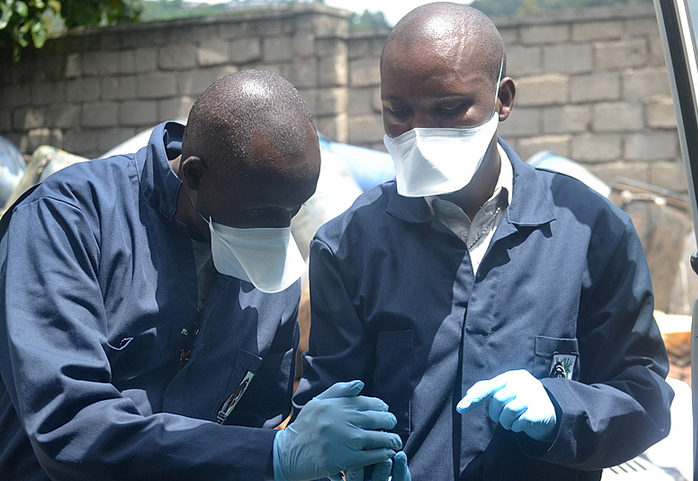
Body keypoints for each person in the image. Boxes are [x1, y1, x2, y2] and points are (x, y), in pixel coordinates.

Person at [294, 3, 674, 480]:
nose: (419, 132)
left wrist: (563, 409)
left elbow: (645, 397)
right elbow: (326, 407)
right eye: (398, 111)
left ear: (503, 100)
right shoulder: (348, 244)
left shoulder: (592, 234)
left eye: (448, 108)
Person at [0, 69, 405, 480]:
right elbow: (68, 426)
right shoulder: (69, 220)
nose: (279, 232)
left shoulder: (274, 278)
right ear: (193, 175)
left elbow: (253, 426)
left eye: (295, 209)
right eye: (262, 213)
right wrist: (275, 457)